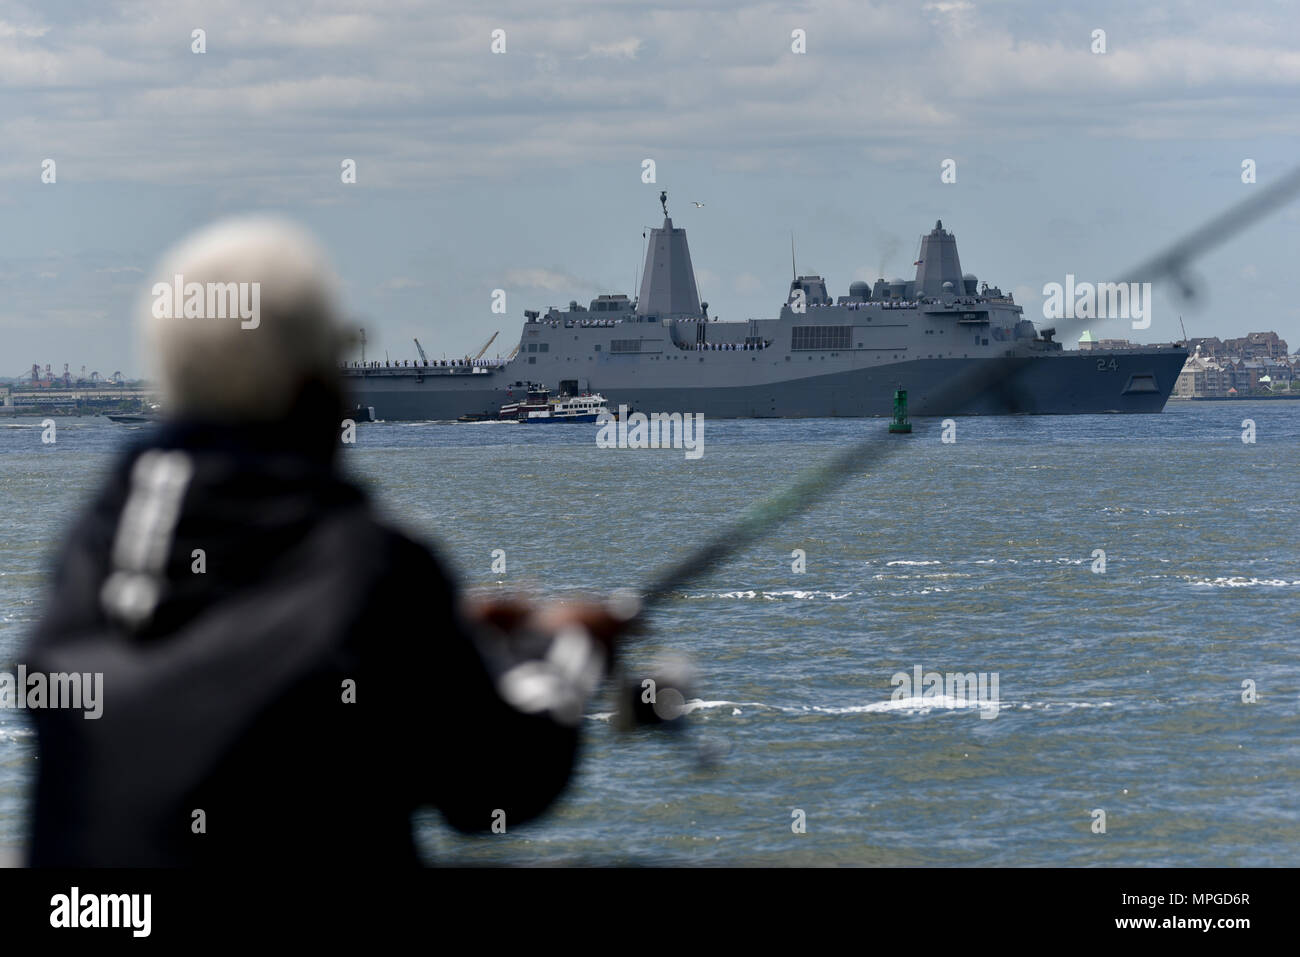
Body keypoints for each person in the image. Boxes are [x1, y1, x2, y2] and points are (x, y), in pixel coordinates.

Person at [24, 217, 626, 867]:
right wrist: (567, 645)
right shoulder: (374, 563)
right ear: (315, 383)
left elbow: (229, 647)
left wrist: (431, 632)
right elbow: (499, 783)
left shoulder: (87, 556)